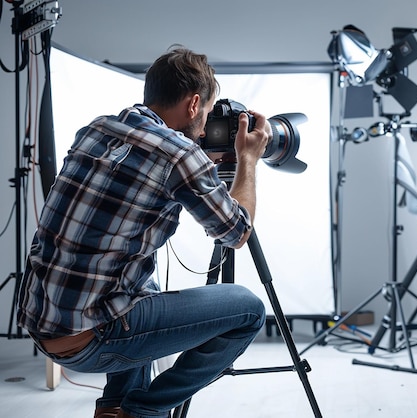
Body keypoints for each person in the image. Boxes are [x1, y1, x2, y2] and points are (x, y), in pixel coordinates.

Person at [17, 46, 269, 418]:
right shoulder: (182, 156)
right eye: (208, 113)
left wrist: (199, 164)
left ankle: (112, 409)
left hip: (39, 324)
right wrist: (247, 161)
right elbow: (236, 232)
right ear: (194, 103)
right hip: (90, 340)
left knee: (141, 285)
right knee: (248, 310)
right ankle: (142, 412)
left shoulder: (98, 128)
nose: (205, 126)